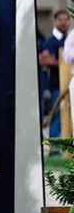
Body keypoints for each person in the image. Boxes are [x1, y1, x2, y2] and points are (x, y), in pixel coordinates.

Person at [40, 9, 70, 138]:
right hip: (57, 84)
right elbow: (43, 59)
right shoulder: (51, 41)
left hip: (69, 84)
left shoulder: (69, 39)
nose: (63, 23)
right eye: (60, 20)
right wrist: (62, 64)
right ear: (55, 21)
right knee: (57, 113)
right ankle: (54, 144)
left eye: (66, 20)